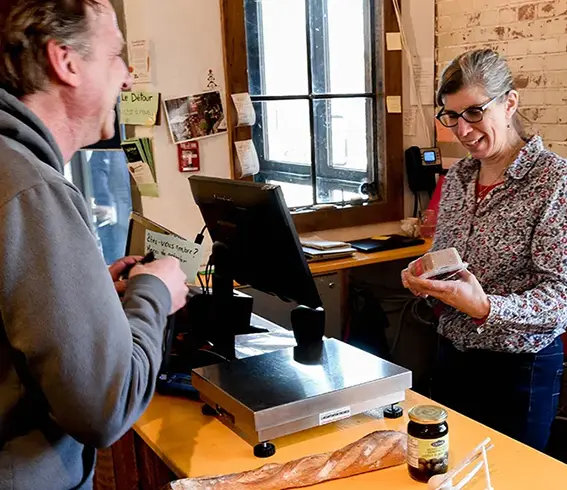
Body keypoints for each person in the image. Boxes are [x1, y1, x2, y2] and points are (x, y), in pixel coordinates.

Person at [0, 1, 189, 489]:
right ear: (66, 61)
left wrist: (86, 297)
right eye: (115, 56)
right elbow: (105, 407)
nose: (127, 79)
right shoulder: (32, 189)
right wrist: (154, 293)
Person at [402, 48, 566, 452]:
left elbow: (561, 299)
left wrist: (486, 307)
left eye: (474, 113)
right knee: (448, 470)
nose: (462, 129)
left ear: (509, 103)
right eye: (451, 116)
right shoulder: (458, 176)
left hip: (518, 369)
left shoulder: (554, 181)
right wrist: (424, 274)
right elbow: (447, 257)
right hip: (452, 355)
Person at [90, 150, 133, 264]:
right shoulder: (110, 148)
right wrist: (104, 201)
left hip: (127, 211)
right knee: (117, 259)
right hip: (113, 215)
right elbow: (97, 169)